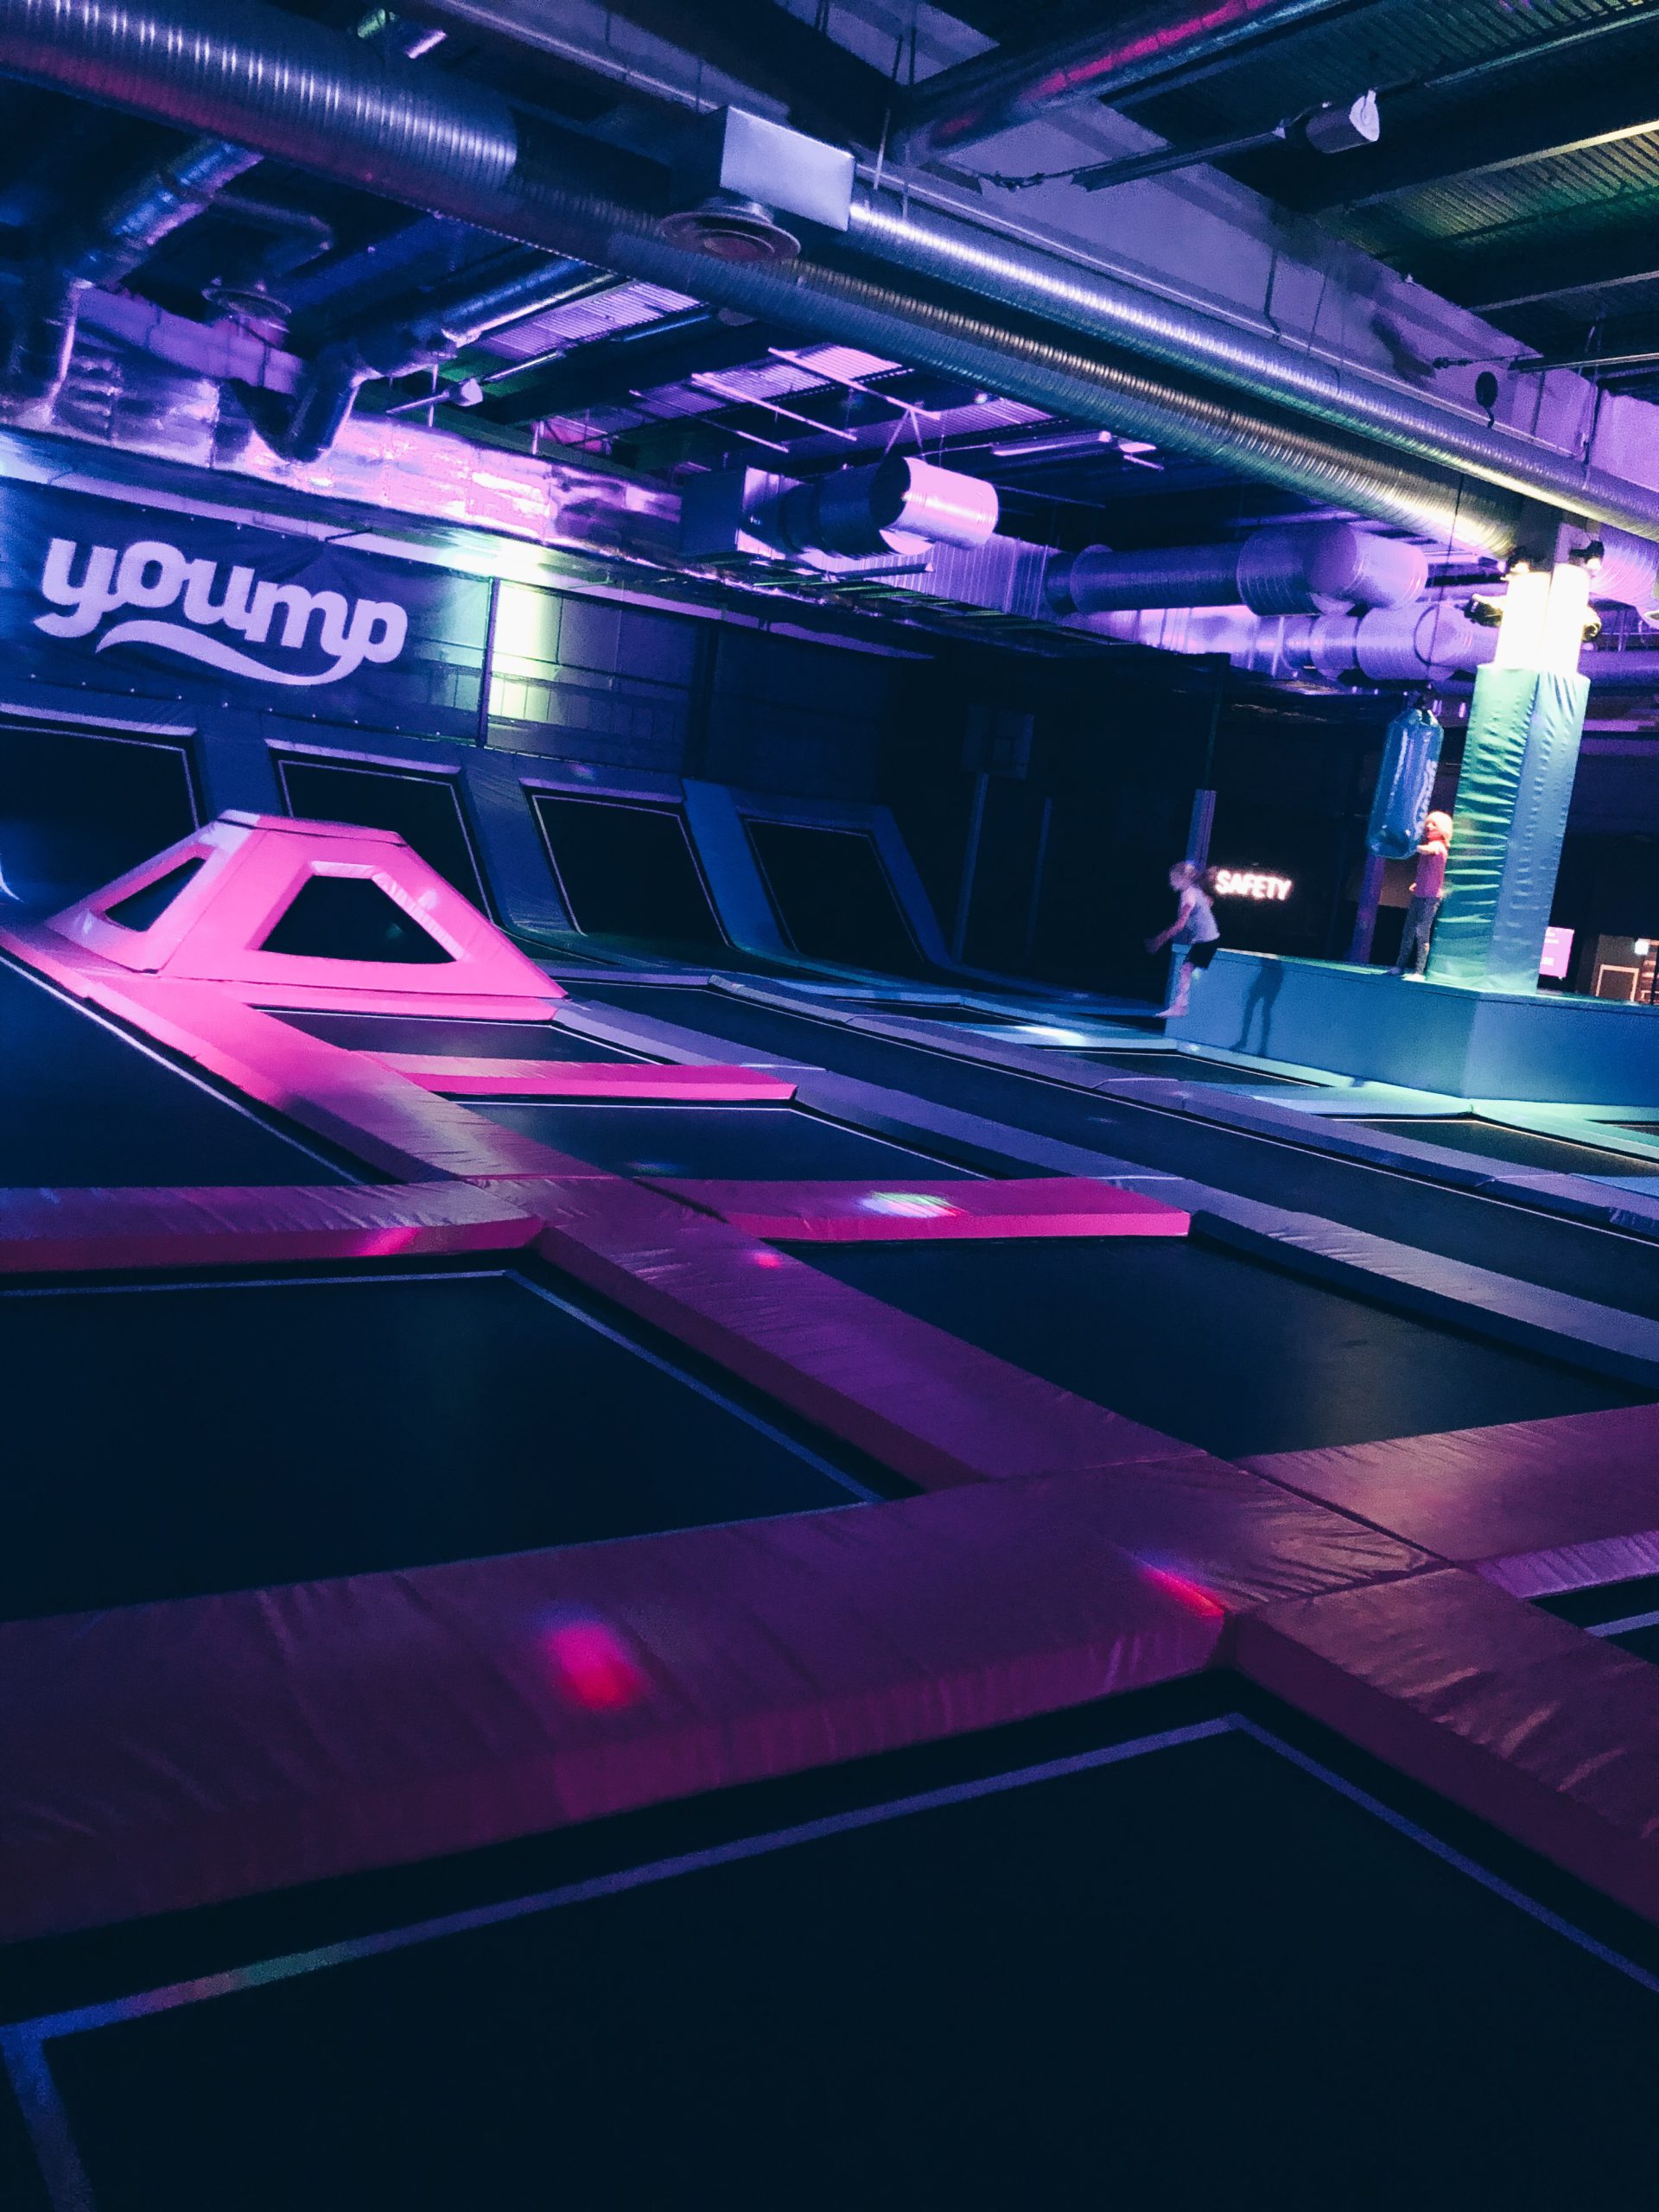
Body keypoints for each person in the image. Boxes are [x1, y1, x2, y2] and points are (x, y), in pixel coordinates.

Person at [1147, 860, 1220, 1018]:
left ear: (1182, 879)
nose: (1171, 882)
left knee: (1185, 970)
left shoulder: (1189, 895)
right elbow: (1209, 901)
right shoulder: (1193, 890)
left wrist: (1160, 940)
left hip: (1207, 941)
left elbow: (1180, 925)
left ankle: (1180, 1007)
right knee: (1186, 969)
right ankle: (1180, 1006)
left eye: (1173, 879)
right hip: (1206, 939)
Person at [1391, 810, 1452, 977]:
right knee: (1408, 932)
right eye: (1428, 824)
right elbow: (1428, 870)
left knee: (1421, 934)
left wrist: (1411, 845)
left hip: (1430, 898)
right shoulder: (1431, 846)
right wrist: (1418, 883)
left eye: (1434, 825)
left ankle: (1419, 971)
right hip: (1420, 895)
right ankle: (1399, 966)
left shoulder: (1438, 846)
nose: (1429, 827)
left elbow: (1427, 850)